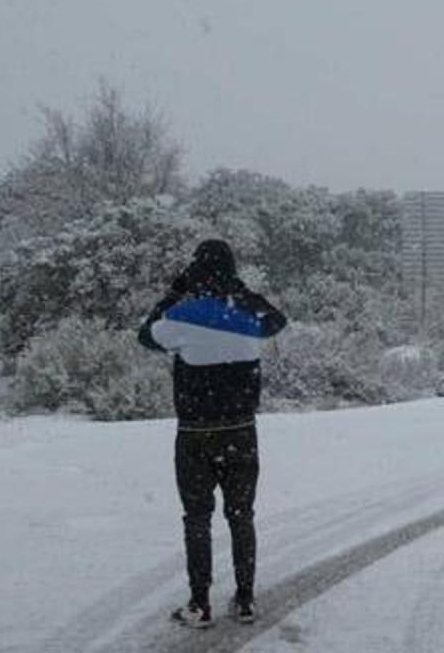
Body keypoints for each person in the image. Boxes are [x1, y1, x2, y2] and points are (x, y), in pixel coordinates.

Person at [138, 239, 287, 628]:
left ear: (195, 271)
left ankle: (200, 604)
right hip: (241, 432)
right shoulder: (250, 316)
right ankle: (245, 600)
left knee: (197, 519)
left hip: (195, 434)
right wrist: (237, 289)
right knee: (242, 517)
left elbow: (145, 334)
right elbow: (278, 320)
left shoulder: (183, 315)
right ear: (232, 271)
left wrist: (177, 290)